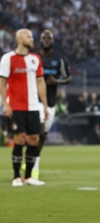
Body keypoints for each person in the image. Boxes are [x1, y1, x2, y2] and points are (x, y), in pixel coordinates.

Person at [0, 29, 48, 186]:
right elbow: (2, 82)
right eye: (29, 37)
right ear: (19, 39)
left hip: (34, 106)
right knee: (19, 138)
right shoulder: (8, 58)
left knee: (34, 139)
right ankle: (16, 177)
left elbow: (41, 82)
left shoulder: (35, 59)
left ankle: (28, 176)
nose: (32, 39)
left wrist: (45, 105)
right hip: (16, 105)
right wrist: (5, 104)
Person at [35, 29, 72, 180]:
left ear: (53, 41)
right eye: (43, 37)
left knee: (43, 135)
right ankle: (34, 164)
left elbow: (68, 78)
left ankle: (33, 157)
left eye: (48, 38)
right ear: (40, 41)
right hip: (34, 101)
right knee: (37, 131)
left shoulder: (60, 60)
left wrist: (57, 81)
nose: (46, 40)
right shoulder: (34, 59)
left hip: (50, 103)